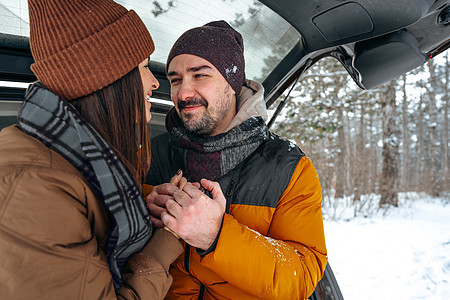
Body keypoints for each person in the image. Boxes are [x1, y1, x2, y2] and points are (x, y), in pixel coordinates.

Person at [0, 0, 184, 298]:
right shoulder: (36, 190)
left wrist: (144, 202)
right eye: (143, 67)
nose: (154, 83)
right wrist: (166, 243)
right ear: (106, 81)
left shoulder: (76, 159)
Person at [145, 20, 328, 299]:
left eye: (200, 75)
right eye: (176, 79)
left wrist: (216, 235)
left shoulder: (288, 168)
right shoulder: (149, 153)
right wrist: (141, 209)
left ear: (232, 83)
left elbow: (302, 276)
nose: (183, 93)